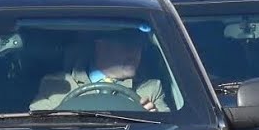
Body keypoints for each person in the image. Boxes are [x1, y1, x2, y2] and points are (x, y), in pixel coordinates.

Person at [30, 31, 168, 112]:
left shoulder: (150, 89)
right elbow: (35, 126)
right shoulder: (57, 84)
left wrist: (153, 119)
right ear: (101, 46)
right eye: (127, 44)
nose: (136, 52)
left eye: (139, 46)